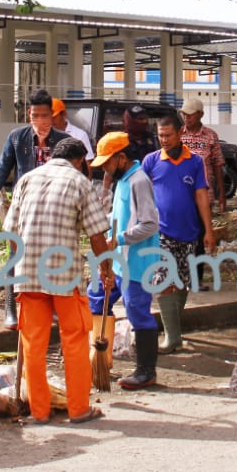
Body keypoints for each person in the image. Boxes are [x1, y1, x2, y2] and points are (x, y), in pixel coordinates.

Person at [3, 137, 114, 424]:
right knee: (74, 340)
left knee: (33, 344)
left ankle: (39, 411)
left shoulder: (26, 180)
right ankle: (78, 409)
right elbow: (97, 236)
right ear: (80, 161)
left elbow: (12, 234)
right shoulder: (79, 182)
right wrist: (106, 270)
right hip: (64, 277)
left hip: (28, 275)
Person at [0, 88, 70, 328]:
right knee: (16, 255)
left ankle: (50, 307)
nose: (40, 121)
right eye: (35, 115)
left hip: (51, 207)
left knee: (51, 257)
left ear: (52, 116)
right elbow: (3, 169)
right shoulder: (17, 138)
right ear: (29, 115)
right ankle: (10, 308)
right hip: (23, 206)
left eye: (45, 115)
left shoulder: (61, 141)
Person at [87, 132, 163, 390]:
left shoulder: (138, 181)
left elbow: (150, 225)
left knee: (137, 312)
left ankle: (146, 371)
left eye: (107, 163)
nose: (105, 169)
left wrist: (118, 239)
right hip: (118, 260)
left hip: (137, 263)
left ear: (121, 158)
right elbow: (118, 215)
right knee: (96, 297)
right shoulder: (123, 180)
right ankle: (98, 357)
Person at [142, 112, 217, 354]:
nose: (163, 140)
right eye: (160, 135)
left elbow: (201, 196)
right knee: (164, 279)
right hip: (160, 232)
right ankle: (172, 338)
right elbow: (140, 195)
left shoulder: (194, 162)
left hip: (189, 232)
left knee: (183, 282)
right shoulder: (151, 161)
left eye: (168, 135)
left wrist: (208, 230)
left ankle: (175, 334)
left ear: (180, 133)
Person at [179, 97, 226, 214]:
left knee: (203, 228)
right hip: (182, 192)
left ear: (201, 114)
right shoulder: (178, 135)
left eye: (190, 114)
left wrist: (221, 194)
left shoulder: (210, 135)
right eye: (184, 114)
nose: (186, 117)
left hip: (205, 193)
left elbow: (218, 165)